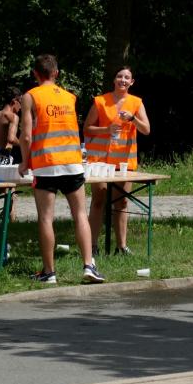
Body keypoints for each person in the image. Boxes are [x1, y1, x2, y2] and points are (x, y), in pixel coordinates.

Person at [18, 54, 105, 284]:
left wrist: (24, 162)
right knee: (80, 215)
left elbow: (26, 136)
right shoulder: (69, 97)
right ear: (56, 73)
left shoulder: (30, 96)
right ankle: (89, 265)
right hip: (72, 163)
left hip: (46, 165)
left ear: (35, 74)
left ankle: (49, 272)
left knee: (46, 218)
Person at [83, 66, 151, 255]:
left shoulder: (136, 102)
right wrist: (106, 130)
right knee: (98, 201)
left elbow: (146, 130)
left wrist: (132, 119)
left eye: (127, 77)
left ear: (132, 82)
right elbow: (87, 128)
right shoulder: (100, 101)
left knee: (121, 203)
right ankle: (92, 246)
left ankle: (121, 247)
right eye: (119, 76)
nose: (123, 80)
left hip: (123, 163)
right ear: (114, 80)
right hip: (100, 162)